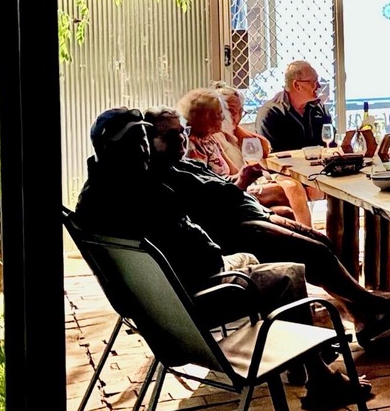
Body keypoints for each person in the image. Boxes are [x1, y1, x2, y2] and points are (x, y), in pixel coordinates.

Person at [74, 108, 371, 408]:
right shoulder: (143, 193)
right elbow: (203, 256)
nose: (142, 149)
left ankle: (303, 361)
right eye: (134, 141)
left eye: (143, 139)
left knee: (267, 253)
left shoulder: (90, 198)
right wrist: (226, 258)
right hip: (195, 299)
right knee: (288, 273)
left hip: (155, 310)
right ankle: (318, 378)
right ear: (110, 148)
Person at [145, 106, 390, 347]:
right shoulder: (163, 176)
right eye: (171, 135)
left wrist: (245, 187)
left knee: (322, 242)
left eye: (183, 131)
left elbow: (219, 188)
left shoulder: (183, 164)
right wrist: (242, 182)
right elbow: (212, 209)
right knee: (316, 253)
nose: (180, 138)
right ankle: (371, 306)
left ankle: (362, 316)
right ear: (148, 140)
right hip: (237, 231)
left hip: (251, 216)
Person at [178, 87, 313, 226]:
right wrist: (242, 180)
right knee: (286, 192)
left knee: (287, 210)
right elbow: (207, 192)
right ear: (204, 116)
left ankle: (312, 238)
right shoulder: (191, 146)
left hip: (232, 189)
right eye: (219, 113)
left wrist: (246, 174)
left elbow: (233, 171)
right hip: (222, 202)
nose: (224, 117)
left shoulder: (210, 139)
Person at [257, 60, 333, 152]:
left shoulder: (319, 109)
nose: (319, 86)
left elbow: (331, 144)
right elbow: (271, 155)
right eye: (313, 82)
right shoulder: (271, 113)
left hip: (320, 165)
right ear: (297, 85)